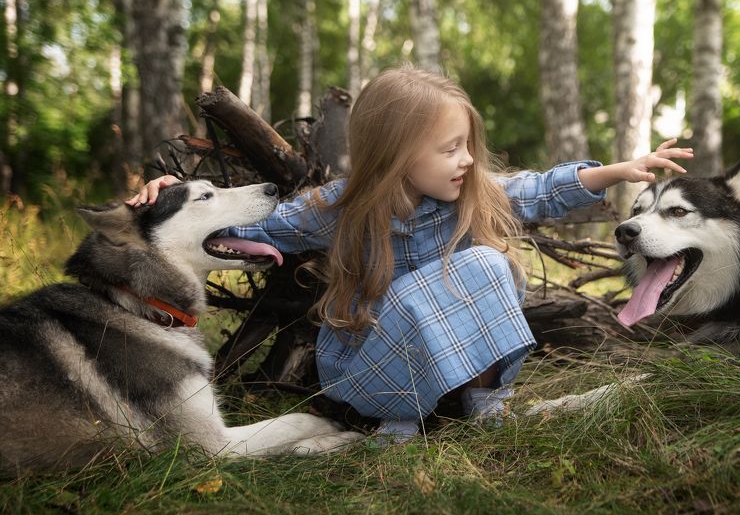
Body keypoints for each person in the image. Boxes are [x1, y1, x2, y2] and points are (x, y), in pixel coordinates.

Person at [128, 66, 693, 443]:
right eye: (450, 148)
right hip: (367, 372)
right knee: (476, 268)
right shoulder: (341, 208)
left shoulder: (471, 194)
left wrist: (617, 171)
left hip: (437, 376)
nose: (468, 159)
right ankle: (395, 425)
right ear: (397, 154)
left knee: (492, 266)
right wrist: (166, 199)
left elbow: (539, 189)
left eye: (468, 144)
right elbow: (265, 226)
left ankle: (484, 406)